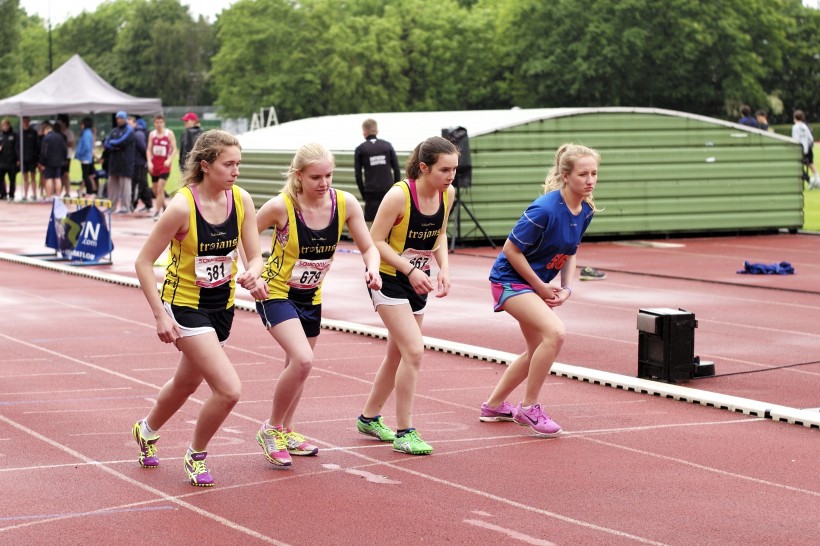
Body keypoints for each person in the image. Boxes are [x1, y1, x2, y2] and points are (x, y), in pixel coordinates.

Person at [132, 129, 267, 487]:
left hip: (221, 307)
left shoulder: (242, 201)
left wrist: (254, 275)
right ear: (206, 166)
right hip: (185, 307)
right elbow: (143, 263)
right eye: (228, 164)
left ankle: (146, 430)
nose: (236, 171)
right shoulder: (181, 207)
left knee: (185, 383)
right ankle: (196, 455)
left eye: (239, 163)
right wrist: (160, 314)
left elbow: (255, 256)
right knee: (228, 389)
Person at [253, 143, 382, 466]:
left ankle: (285, 428)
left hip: (311, 297)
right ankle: (270, 429)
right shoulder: (280, 207)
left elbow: (369, 247)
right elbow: (245, 236)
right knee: (303, 360)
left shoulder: (345, 203)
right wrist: (253, 273)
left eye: (328, 175)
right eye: (316, 177)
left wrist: (373, 267)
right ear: (298, 176)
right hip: (277, 293)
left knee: (296, 367)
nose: (324, 183)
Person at [479, 143, 600, 437]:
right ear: (565, 175)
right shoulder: (544, 209)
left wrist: (567, 287)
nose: (590, 180)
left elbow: (571, 251)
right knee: (555, 333)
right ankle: (529, 407)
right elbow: (510, 250)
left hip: (535, 285)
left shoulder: (585, 210)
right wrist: (540, 286)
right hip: (509, 281)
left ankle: (493, 405)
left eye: (594, 173)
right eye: (583, 174)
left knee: (536, 349)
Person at [355, 136, 457, 456]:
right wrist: (409, 270)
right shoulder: (399, 196)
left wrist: (443, 269)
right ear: (424, 168)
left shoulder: (447, 194)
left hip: (418, 281)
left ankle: (369, 417)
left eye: (455, 169)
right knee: (414, 350)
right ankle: (405, 431)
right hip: (388, 279)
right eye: (444, 170)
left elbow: (439, 233)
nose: (451, 176)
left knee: (397, 354)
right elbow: (375, 242)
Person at [354, 118, 401, 223]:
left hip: (371, 192)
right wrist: (396, 189)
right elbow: (397, 169)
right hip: (388, 190)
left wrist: (364, 195)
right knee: (391, 220)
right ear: (377, 131)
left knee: (372, 223)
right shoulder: (387, 146)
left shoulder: (361, 149)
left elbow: (358, 175)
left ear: (364, 133)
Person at [104, 111, 136, 213]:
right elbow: (107, 142)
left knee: (125, 186)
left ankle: (125, 207)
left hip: (125, 163)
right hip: (114, 162)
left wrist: (113, 144)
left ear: (125, 119)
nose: (119, 120)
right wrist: (114, 145)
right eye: (118, 118)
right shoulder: (114, 131)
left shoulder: (129, 130)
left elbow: (122, 141)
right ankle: (111, 206)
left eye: (121, 118)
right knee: (112, 185)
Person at [147, 114, 176, 218]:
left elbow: (174, 149)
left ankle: (157, 212)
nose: (159, 124)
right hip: (155, 165)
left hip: (165, 165)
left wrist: (169, 159)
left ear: (164, 123)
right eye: (157, 122)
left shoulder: (169, 133)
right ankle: (164, 206)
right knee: (155, 190)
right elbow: (148, 150)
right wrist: (149, 162)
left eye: (161, 122)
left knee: (160, 188)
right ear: (154, 123)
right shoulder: (152, 134)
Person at [38, 121, 67, 199]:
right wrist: (63, 160)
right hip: (59, 161)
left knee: (49, 178)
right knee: (57, 178)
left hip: (49, 162)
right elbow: (64, 149)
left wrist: (42, 162)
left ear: (46, 130)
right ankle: (58, 196)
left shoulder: (46, 138)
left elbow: (43, 151)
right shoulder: (60, 137)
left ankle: (49, 196)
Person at [130, 116, 153, 212]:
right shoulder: (135, 133)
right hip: (138, 162)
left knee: (139, 184)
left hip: (140, 163)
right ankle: (147, 204)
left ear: (134, 123)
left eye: (129, 122)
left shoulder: (138, 134)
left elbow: (144, 149)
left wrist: (146, 160)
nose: (128, 124)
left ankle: (134, 204)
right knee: (142, 183)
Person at [792, 110, 819, 189]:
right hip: (807, 149)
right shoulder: (805, 126)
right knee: (810, 163)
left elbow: (795, 139)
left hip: (799, 150)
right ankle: (817, 179)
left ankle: (810, 180)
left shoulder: (795, 127)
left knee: (798, 167)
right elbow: (810, 138)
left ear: (794, 118)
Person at [75, 117, 97, 198]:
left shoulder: (86, 133)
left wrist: (81, 154)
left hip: (85, 157)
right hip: (87, 156)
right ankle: (90, 191)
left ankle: (90, 192)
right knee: (87, 175)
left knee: (85, 175)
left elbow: (86, 146)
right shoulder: (88, 133)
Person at [21, 117, 39, 201]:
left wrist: (35, 157)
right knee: (25, 178)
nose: (25, 122)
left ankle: (34, 194)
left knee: (33, 177)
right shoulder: (20, 133)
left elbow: (37, 146)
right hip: (23, 159)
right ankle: (25, 194)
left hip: (32, 159)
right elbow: (17, 146)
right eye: (24, 121)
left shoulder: (33, 133)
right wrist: (19, 157)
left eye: (26, 121)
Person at [0, 118, 19, 201]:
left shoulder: (14, 135)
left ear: (9, 125)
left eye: (6, 125)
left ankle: (11, 194)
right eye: (3, 125)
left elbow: (17, 148)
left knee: (12, 179)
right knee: (1, 179)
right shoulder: (1, 136)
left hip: (11, 161)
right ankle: (2, 193)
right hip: (2, 161)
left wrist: (18, 159)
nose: (5, 127)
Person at [179, 112, 203, 176]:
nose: (185, 122)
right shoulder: (186, 132)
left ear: (194, 121)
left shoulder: (197, 133)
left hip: (192, 168)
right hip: (186, 167)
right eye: (184, 120)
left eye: (187, 120)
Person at [57, 114, 75, 197]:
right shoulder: (57, 132)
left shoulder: (69, 132)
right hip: (59, 155)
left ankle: (67, 192)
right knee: (59, 174)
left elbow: (71, 144)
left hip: (67, 155)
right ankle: (59, 191)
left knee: (66, 174)